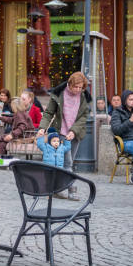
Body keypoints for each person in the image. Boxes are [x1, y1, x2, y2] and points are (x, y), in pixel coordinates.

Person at [37, 72, 91, 201]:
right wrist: (42, 128)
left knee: (66, 162)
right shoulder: (59, 94)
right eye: (75, 87)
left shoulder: (84, 96)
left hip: (75, 134)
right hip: (60, 132)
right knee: (68, 162)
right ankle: (71, 190)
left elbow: (84, 116)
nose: (78, 90)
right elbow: (49, 112)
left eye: (81, 87)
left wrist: (74, 130)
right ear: (69, 84)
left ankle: (57, 189)